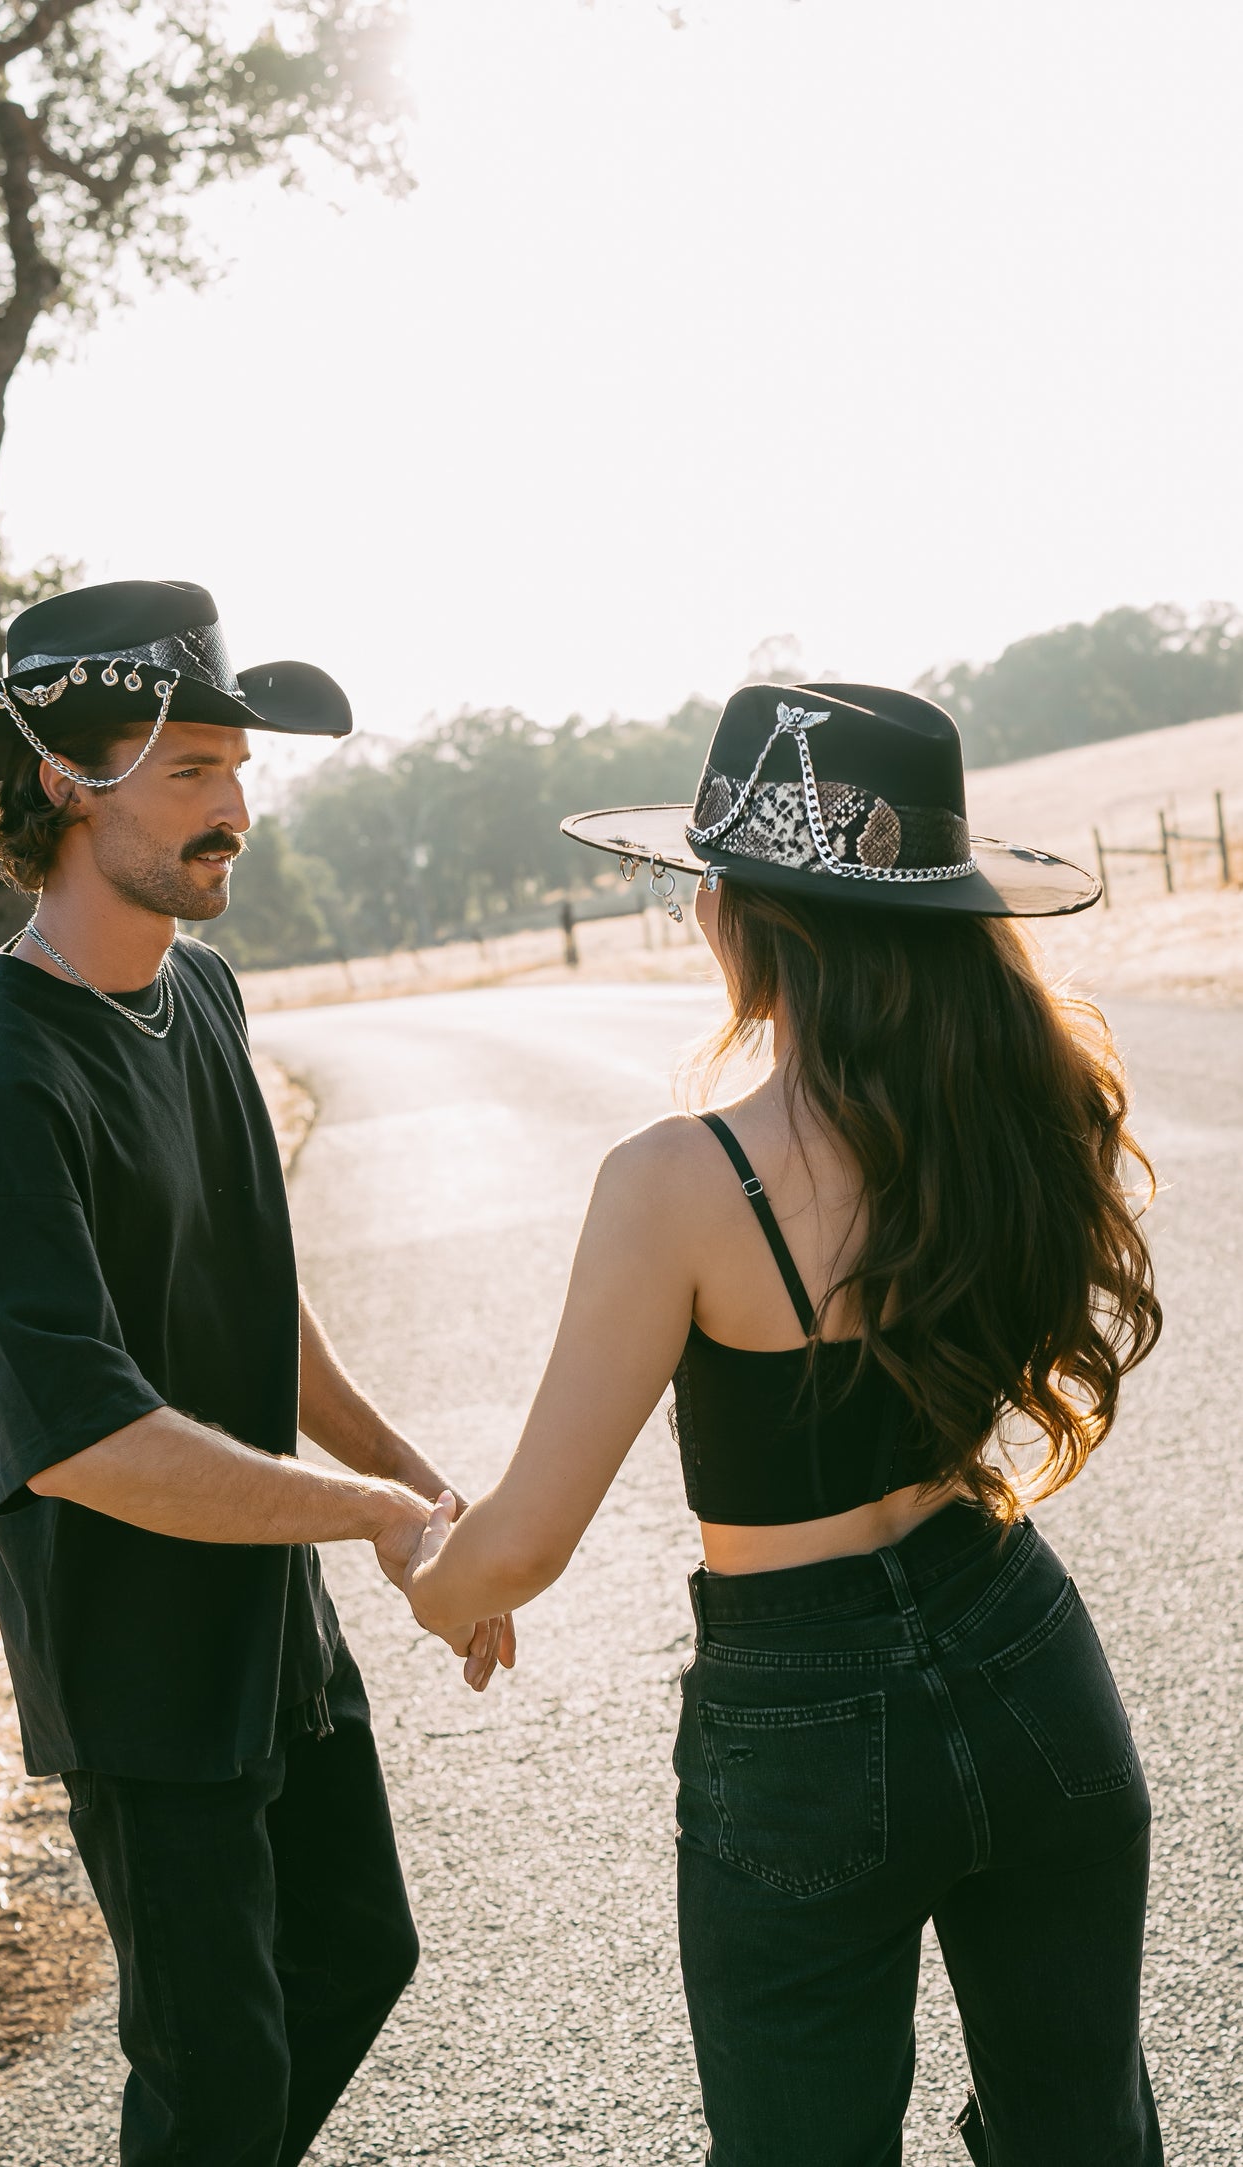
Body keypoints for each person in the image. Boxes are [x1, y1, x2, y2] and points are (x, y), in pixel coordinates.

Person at [401, 682, 1164, 2167]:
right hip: (1021, 1645)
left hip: (798, 1710)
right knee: (1082, 2132)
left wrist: (439, 1576)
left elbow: (522, 1546)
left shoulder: (677, 1181)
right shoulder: (1020, 1103)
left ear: (751, 917)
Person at [0, 579, 513, 2167]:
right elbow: (84, 1435)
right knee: (213, 2080)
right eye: (189, 772)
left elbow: (257, 1309)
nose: (234, 809)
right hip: (137, 1666)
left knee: (357, 1955)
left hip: (263, 1615)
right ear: (58, 779)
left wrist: (422, 1492)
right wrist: (366, 1514)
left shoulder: (204, 988)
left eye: (238, 769)